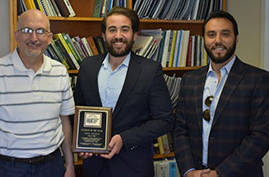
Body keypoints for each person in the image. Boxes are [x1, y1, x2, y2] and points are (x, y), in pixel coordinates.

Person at [0, 9, 75, 177]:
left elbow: (65, 122)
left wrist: (70, 165)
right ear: (16, 35)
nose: (34, 38)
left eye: (40, 31)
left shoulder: (60, 72)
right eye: (27, 30)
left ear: (49, 38)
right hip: (5, 168)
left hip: (51, 167)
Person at [73, 6, 174, 177]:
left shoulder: (150, 70)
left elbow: (165, 120)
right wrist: (82, 143)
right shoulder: (87, 66)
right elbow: (77, 111)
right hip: (94, 167)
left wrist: (124, 139)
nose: (118, 36)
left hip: (134, 166)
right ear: (104, 35)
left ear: (134, 35)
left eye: (124, 30)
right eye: (112, 30)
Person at [174, 10, 269, 177]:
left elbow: (261, 136)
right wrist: (188, 171)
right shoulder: (190, 80)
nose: (218, 41)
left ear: (236, 38)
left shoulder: (259, 79)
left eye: (225, 34)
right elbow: (180, 130)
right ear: (204, 39)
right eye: (211, 34)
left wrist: (219, 173)